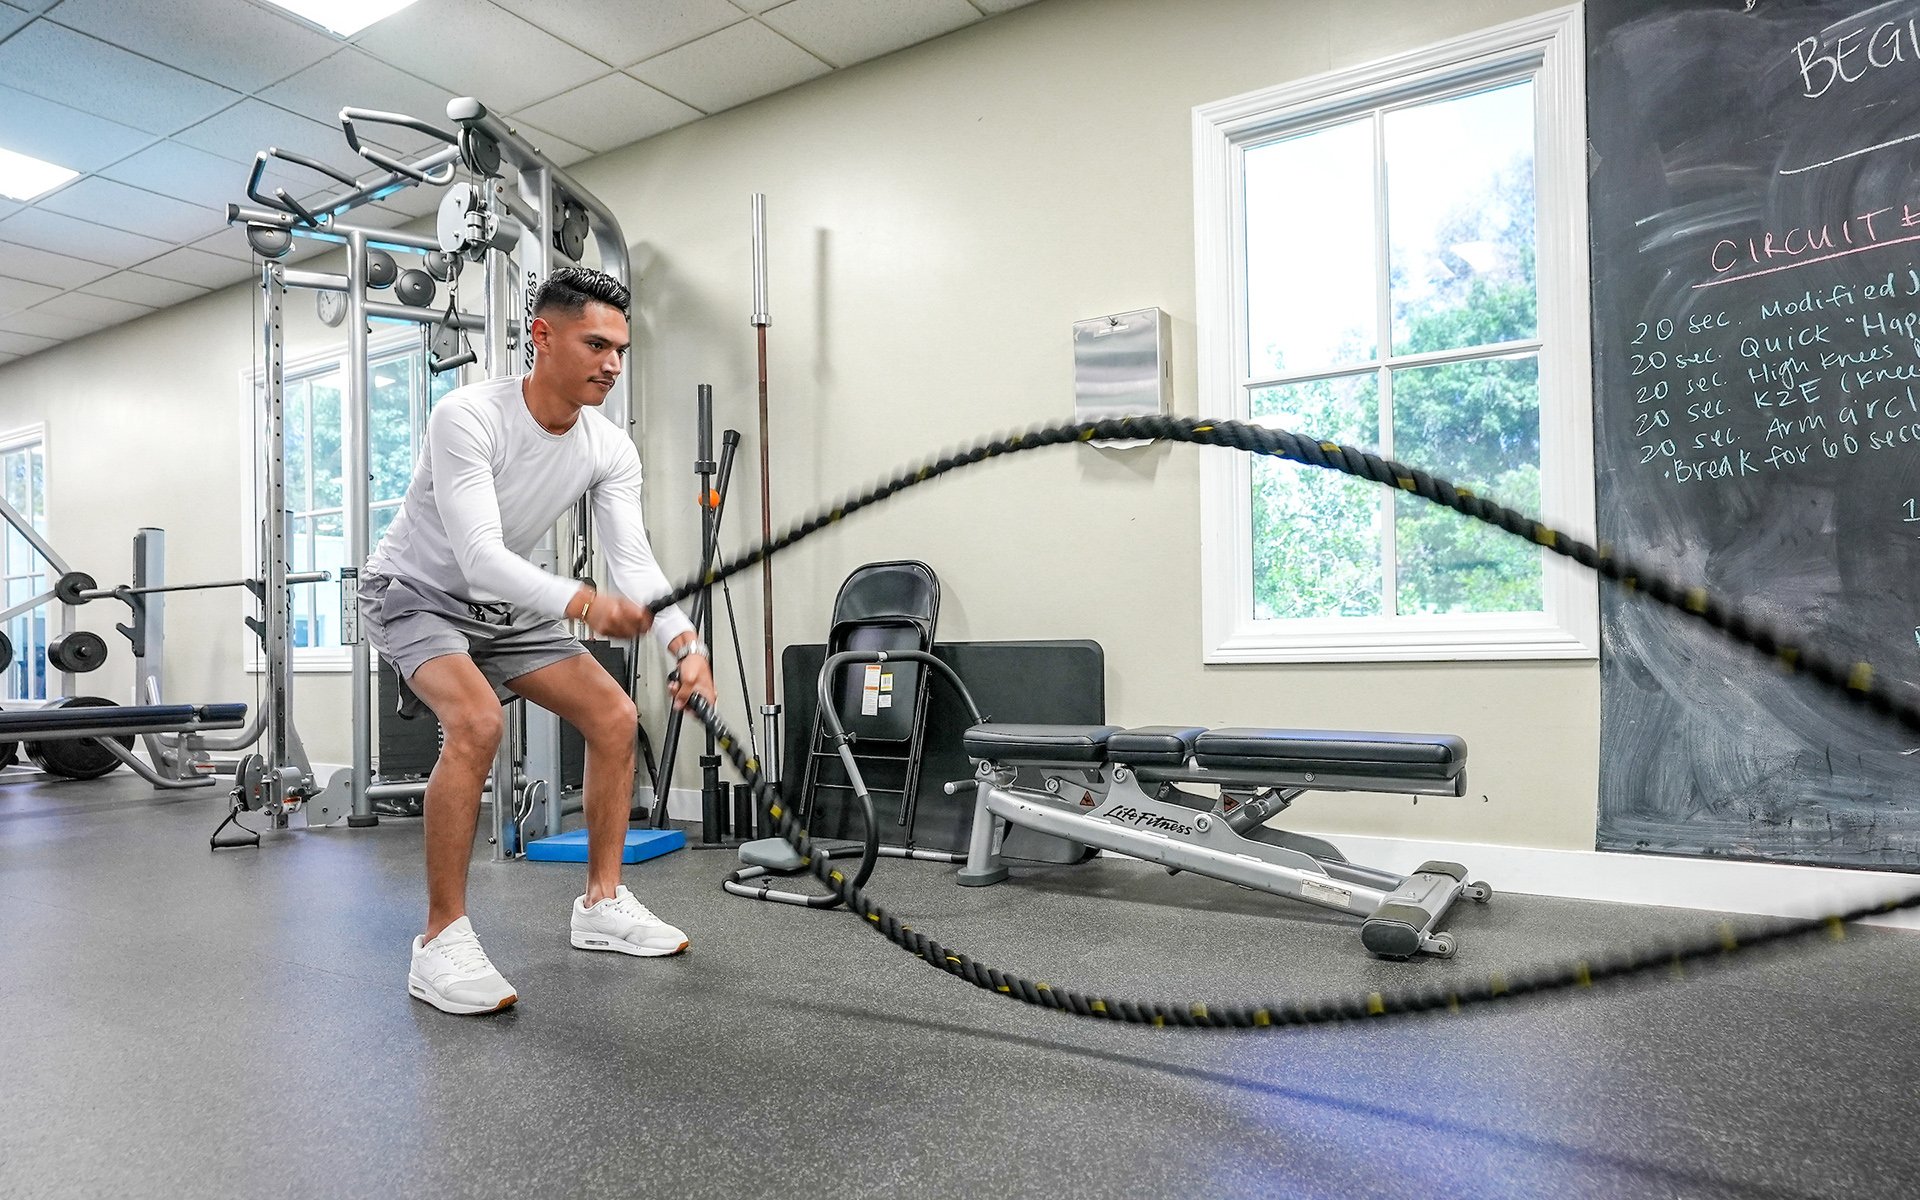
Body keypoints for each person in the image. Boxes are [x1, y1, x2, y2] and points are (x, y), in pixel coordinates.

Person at [359, 265, 714, 1016]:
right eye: (596, 345)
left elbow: (634, 561)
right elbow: (480, 556)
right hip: (416, 591)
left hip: (508, 608)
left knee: (615, 717)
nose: (612, 364)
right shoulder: (467, 416)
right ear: (543, 337)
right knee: (477, 721)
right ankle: (440, 940)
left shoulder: (608, 447)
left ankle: (602, 904)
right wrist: (583, 603)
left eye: (620, 350)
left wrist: (685, 643)